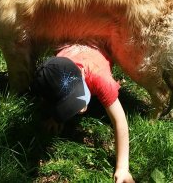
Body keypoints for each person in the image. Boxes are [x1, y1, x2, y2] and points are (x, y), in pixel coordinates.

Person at [31, 45, 135, 183]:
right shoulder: (53, 72)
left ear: (81, 74)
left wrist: (122, 168)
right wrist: (56, 118)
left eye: (79, 97)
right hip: (71, 47)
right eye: (71, 104)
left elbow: (119, 121)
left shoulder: (100, 79)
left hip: (99, 46)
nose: (81, 110)